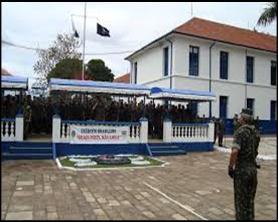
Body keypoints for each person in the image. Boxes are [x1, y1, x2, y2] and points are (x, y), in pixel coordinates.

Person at [228, 108, 260, 220]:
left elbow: (235, 151)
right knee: (250, 202)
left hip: (242, 171)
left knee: (241, 203)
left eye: (240, 117)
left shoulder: (240, 132)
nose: (238, 118)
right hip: (253, 170)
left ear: (244, 119)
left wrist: (230, 167)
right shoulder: (256, 133)